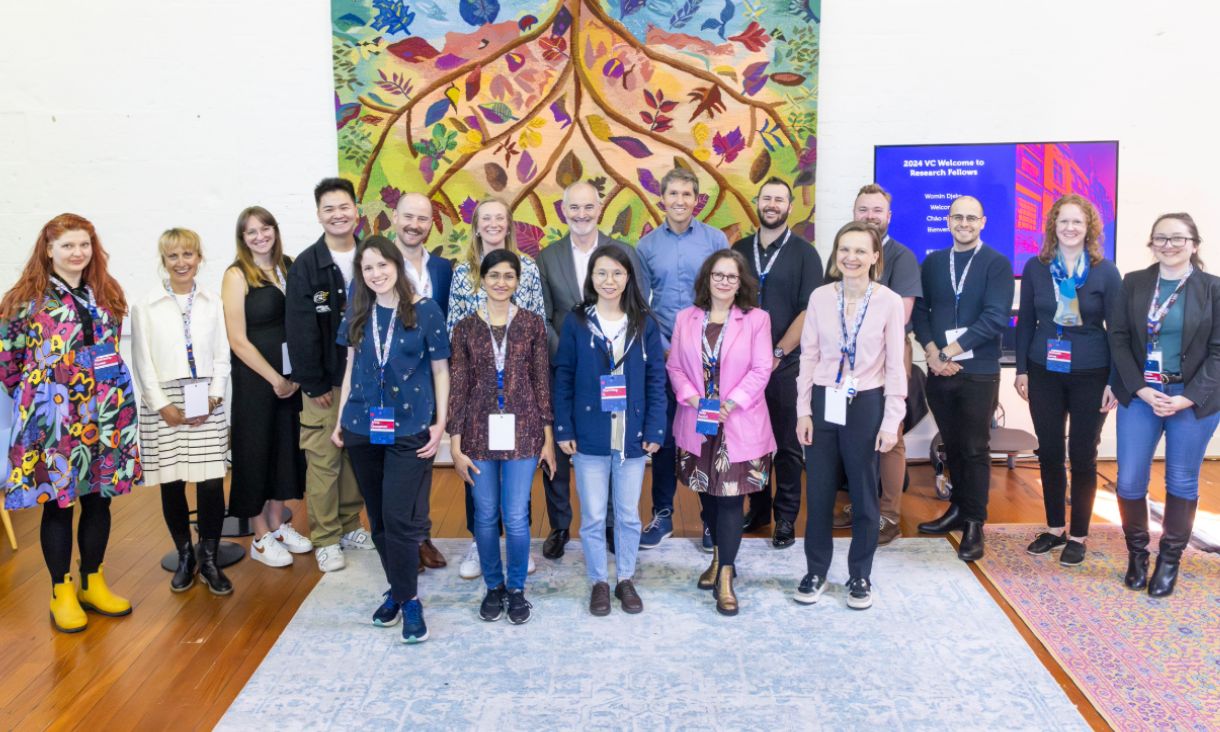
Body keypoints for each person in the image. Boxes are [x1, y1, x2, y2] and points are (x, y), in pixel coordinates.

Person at [0, 213, 142, 633]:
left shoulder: (107, 291)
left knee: (99, 498)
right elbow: (8, 364)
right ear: (48, 250)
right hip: (53, 419)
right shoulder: (24, 301)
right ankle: (60, 590)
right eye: (67, 246)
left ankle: (92, 580)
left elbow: (110, 346)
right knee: (59, 503)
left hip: (106, 412)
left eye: (84, 245)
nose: (77, 253)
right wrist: (42, 398)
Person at [331, 236, 450, 643]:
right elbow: (350, 367)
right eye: (368, 268)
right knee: (379, 519)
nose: (376, 274)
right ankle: (399, 591)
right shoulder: (358, 312)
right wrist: (340, 419)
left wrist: (441, 422)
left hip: (410, 426)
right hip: (362, 425)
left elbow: (440, 371)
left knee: (400, 518)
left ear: (398, 266)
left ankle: (410, 600)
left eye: (383, 265)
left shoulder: (425, 311)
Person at [794, 222, 907, 610]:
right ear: (835, 254)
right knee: (821, 491)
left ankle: (860, 573)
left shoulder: (889, 301)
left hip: (867, 402)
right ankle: (816, 571)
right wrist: (803, 410)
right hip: (825, 400)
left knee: (863, 495)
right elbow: (808, 356)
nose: (851, 258)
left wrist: (892, 421)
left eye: (860, 251)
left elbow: (896, 365)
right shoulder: (821, 297)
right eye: (844, 249)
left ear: (876, 257)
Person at [1109, 213, 1220, 597]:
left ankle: (1168, 561)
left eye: (1177, 238)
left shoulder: (1213, 288)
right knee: (1129, 480)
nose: (1168, 245)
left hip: (1193, 398)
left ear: (1194, 243)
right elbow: (1119, 340)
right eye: (1161, 238)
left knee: (1182, 480)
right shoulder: (1135, 282)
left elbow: (1219, 353)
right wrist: (1139, 389)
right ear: (1152, 243)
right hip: (1142, 395)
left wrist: (1187, 396)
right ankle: (1137, 555)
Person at [537, 181, 649, 560]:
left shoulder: (624, 253)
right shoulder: (547, 257)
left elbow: (639, 306)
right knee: (566, 448)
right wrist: (575, 351)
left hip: (618, 369)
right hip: (568, 366)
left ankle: (614, 526)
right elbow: (546, 314)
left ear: (599, 209)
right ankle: (559, 526)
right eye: (574, 208)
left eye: (589, 207)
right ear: (563, 211)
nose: (581, 214)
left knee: (613, 446)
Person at [553, 245, 666, 615]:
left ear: (629, 278)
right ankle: (599, 581)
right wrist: (563, 427)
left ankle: (625, 579)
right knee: (595, 515)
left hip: (631, 436)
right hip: (589, 434)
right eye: (601, 273)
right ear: (591, 278)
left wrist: (654, 427)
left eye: (617, 273)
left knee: (629, 514)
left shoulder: (644, 322)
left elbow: (655, 379)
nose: (609, 281)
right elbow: (564, 375)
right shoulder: (577, 321)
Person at [449, 249, 555, 625]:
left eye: (509, 276)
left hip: (524, 430)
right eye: (494, 275)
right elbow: (459, 387)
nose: (501, 282)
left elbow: (541, 382)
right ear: (482, 278)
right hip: (477, 433)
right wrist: (454, 442)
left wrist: (548, 439)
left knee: (514, 515)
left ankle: (516, 589)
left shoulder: (532, 325)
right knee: (485, 513)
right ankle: (493, 586)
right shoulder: (464, 328)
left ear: (517, 281)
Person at [1014, 195, 1121, 566]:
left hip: (1092, 373)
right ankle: (1055, 528)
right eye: (1063, 222)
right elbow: (1026, 320)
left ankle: (1078, 535)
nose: (1070, 228)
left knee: (1082, 455)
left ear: (1089, 227)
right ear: (1053, 227)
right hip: (1044, 370)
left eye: (1077, 222)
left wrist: (1115, 381)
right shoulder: (1035, 268)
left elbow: (1118, 331)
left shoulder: (1105, 271)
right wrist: (1022, 370)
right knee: (1049, 452)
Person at [668, 250, 774, 615]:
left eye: (732, 276)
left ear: (741, 282)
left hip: (738, 423)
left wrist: (732, 402)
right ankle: (717, 557)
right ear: (707, 279)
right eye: (718, 275)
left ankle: (726, 574)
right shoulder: (686, 318)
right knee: (707, 496)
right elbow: (675, 366)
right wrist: (693, 398)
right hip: (698, 421)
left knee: (730, 499)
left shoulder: (757, 319)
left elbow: (762, 369)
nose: (724, 282)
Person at [447, 197, 545, 579]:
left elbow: (537, 318)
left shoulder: (529, 269)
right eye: (484, 218)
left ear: (509, 225)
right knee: (482, 488)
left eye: (499, 218)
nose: (492, 224)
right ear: (476, 225)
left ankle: (518, 547)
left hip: (518, 396)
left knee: (518, 486)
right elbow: (456, 334)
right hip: (478, 397)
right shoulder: (462, 272)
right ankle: (479, 542)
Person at [131, 228, 233, 594]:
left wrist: (215, 398)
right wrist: (162, 406)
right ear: (163, 261)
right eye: (173, 256)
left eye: (188, 254)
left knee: (209, 482)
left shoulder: (212, 301)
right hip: (165, 402)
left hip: (205, 396)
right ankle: (184, 554)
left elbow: (223, 355)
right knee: (172, 481)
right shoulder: (146, 305)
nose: (181, 262)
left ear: (199, 258)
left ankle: (208, 558)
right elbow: (142, 361)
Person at [913, 196, 1014, 561]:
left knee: (974, 448)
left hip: (979, 371)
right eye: (958, 217)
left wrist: (948, 352)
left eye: (972, 217)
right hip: (938, 370)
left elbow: (995, 317)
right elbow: (920, 312)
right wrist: (929, 351)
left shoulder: (997, 264)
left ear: (983, 222)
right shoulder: (935, 262)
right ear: (948, 221)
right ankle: (957, 509)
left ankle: (975, 521)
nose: (964, 223)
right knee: (952, 445)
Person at [637, 166, 729, 550]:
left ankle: (710, 519)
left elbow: (725, 293)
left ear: (696, 200)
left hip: (706, 360)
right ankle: (662, 515)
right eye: (672, 194)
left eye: (686, 195)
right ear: (663, 199)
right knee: (663, 438)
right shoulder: (645, 247)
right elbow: (641, 303)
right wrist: (661, 349)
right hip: (660, 356)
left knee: (706, 436)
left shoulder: (715, 239)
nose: (679, 201)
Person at [286, 178, 372, 573]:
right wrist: (314, 382)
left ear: (357, 209)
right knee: (324, 460)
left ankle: (350, 524)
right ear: (319, 215)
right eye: (329, 209)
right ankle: (323, 537)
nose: (338, 215)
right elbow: (299, 328)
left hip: (367, 381)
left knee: (356, 456)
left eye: (344, 207)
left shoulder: (371, 256)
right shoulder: (306, 264)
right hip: (325, 384)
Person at [733, 177, 823, 548]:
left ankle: (785, 517)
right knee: (752, 442)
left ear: (790, 207)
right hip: (742, 368)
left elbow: (809, 311)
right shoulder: (738, 250)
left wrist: (777, 354)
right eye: (766, 198)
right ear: (757, 202)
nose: (772, 204)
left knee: (787, 445)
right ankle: (759, 508)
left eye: (779, 200)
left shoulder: (805, 254)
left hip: (786, 365)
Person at [834, 183, 923, 546]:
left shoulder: (900, 257)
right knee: (855, 432)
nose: (869, 216)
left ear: (888, 216)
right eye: (862, 210)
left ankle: (889, 513)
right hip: (846, 360)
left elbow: (899, 317)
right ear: (854, 213)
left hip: (887, 356)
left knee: (890, 434)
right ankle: (864, 503)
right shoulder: (848, 253)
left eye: (876, 210)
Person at [222, 207, 309, 568]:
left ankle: (277, 524)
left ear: (275, 229)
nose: (260, 236)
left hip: (290, 380)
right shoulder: (236, 275)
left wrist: (297, 376)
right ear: (242, 239)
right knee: (255, 452)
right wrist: (274, 379)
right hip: (257, 382)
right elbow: (237, 339)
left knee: (285, 450)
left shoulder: (288, 266)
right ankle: (259, 535)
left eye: (265, 228)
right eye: (251, 232)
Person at [392, 191, 453, 572]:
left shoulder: (443, 269)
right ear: (395, 218)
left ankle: (421, 534)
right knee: (397, 462)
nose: (415, 225)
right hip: (394, 381)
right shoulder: (379, 265)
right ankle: (403, 541)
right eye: (408, 217)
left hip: (430, 379)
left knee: (425, 456)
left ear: (432, 224)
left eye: (423, 219)